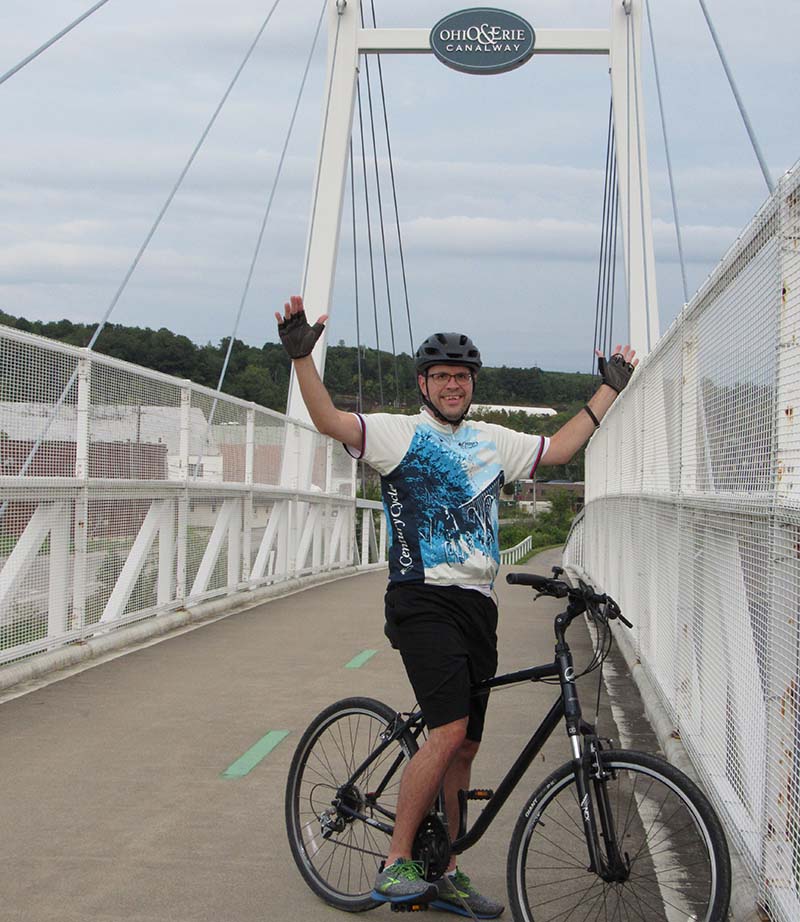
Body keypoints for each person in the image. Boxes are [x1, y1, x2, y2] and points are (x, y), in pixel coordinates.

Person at [276, 295, 637, 918]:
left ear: (472, 385)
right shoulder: (398, 435)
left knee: (465, 747)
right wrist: (303, 359)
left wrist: (607, 391)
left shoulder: (491, 440)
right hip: (421, 601)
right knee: (444, 733)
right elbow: (332, 421)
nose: (452, 384)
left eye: (462, 377)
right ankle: (396, 864)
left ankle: (446, 872)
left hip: (478, 606)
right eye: (441, 376)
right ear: (423, 384)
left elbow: (559, 451)